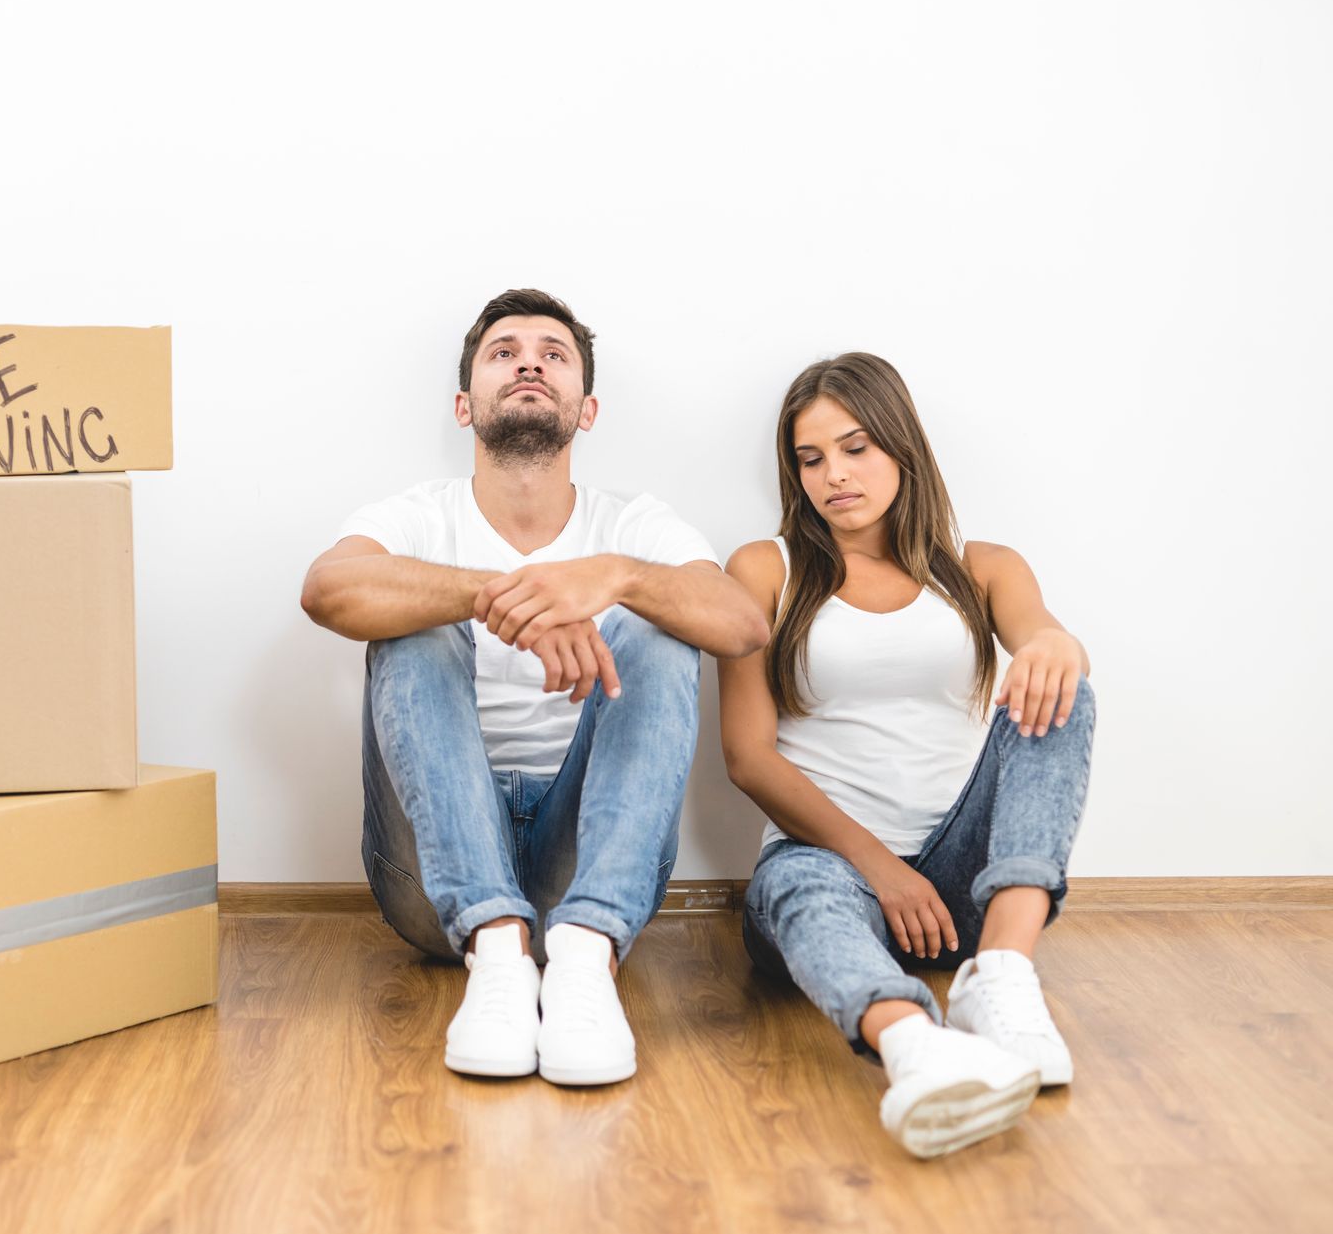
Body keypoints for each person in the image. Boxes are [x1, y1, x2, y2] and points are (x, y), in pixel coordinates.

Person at [300, 289, 766, 1086]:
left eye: (553, 354)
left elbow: (742, 624)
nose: (528, 362)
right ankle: (497, 954)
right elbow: (327, 589)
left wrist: (614, 578)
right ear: (464, 403)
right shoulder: (417, 514)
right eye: (503, 351)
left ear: (585, 409)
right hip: (429, 869)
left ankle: (584, 962)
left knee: (659, 619)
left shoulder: (635, 523)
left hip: (585, 861)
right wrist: (504, 597)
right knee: (409, 621)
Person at [718, 352, 1095, 1158]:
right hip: (827, 869)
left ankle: (1000, 971)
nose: (834, 476)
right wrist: (880, 868)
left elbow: (1046, 641)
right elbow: (748, 758)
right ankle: (914, 1045)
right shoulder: (766, 569)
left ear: (901, 446)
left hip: (958, 883)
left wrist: (1055, 645)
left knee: (1066, 689)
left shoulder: (983, 566)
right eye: (810, 458)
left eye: (855, 448)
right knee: (797, 885)